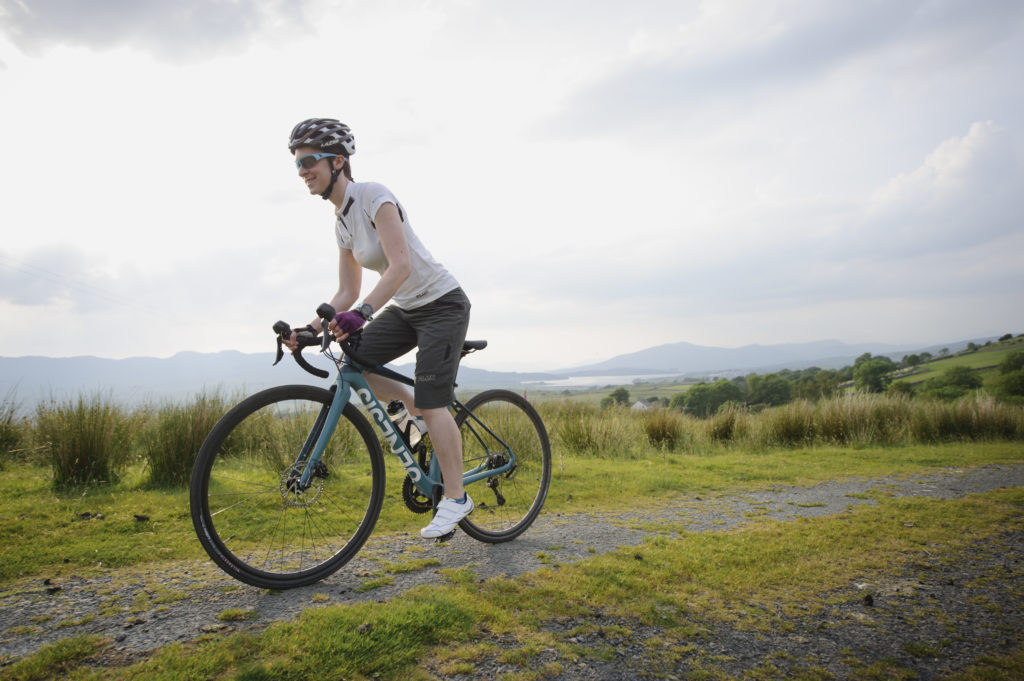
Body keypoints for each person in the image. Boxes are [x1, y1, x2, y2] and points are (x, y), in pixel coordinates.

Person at [283, 118, 473, 539]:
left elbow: (400, 265)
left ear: (339, 162)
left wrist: (364, 313)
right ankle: (417, 415)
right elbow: (346, 291)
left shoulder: (374, 196)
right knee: (357, 358)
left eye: (309, 161)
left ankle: (457, 498)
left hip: (442, 305)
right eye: (297, 165)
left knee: (433, 396)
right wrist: (310, 329)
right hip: (406, 308)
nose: (302, 172)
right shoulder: (341, 222)